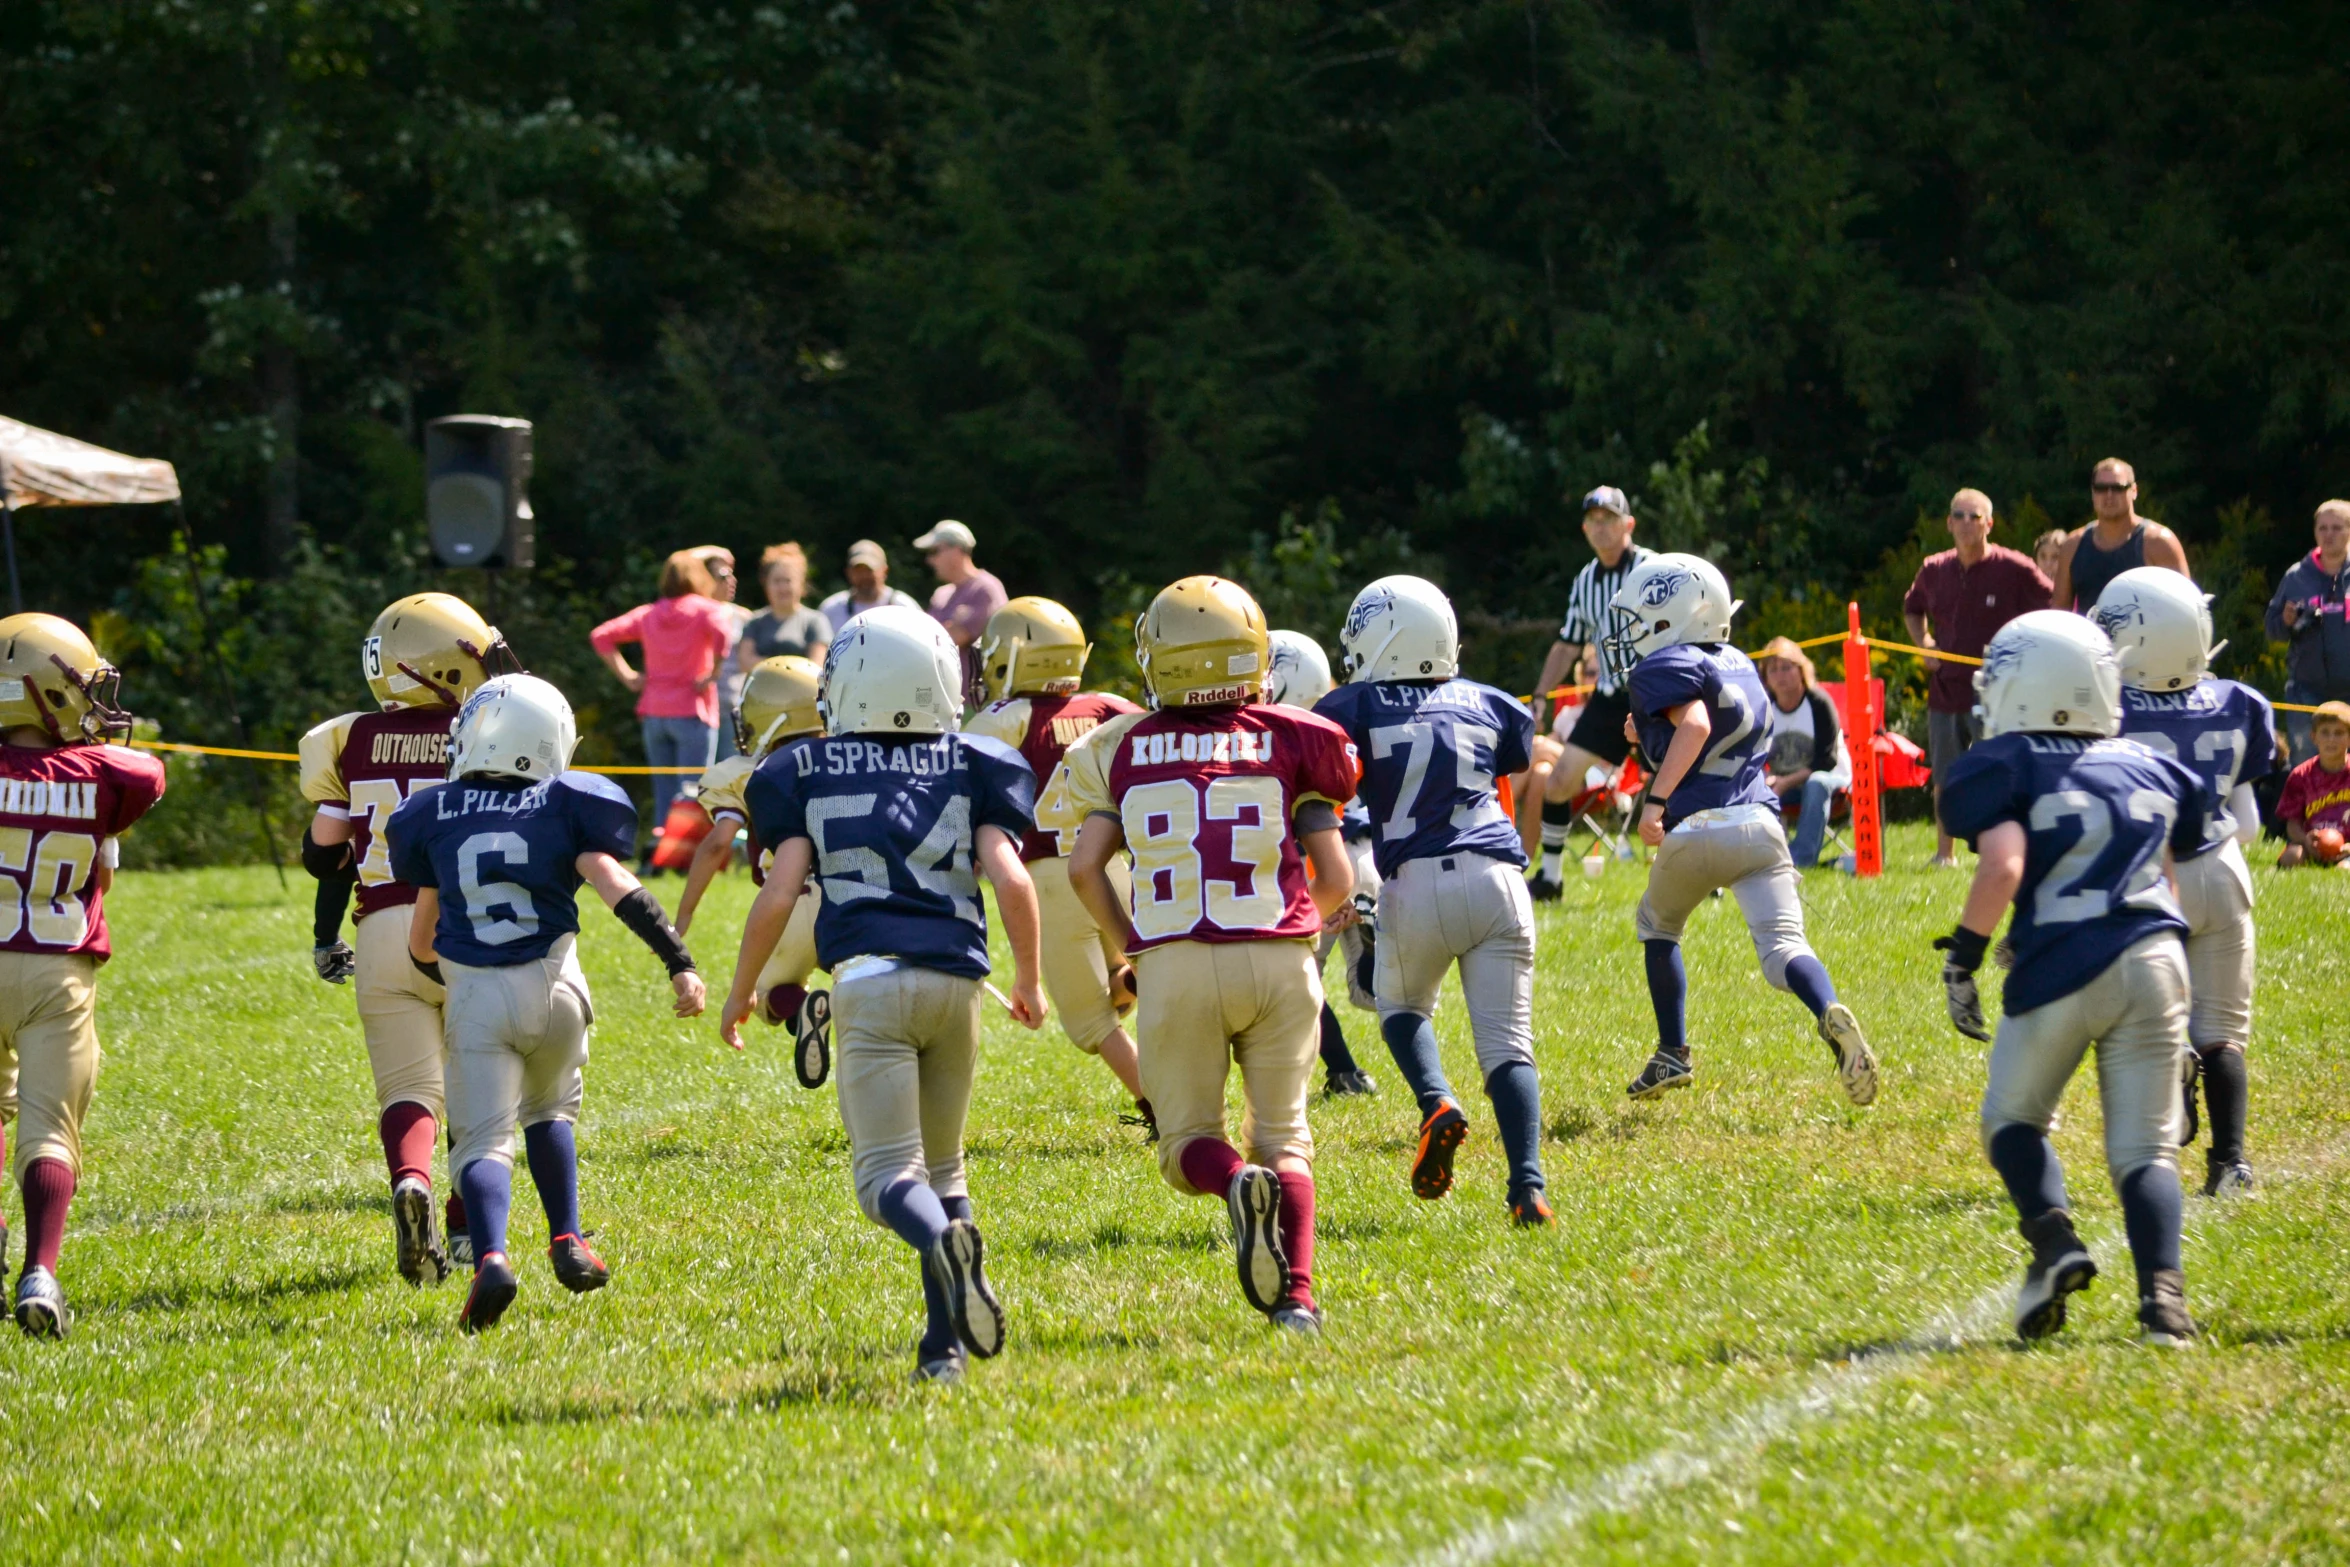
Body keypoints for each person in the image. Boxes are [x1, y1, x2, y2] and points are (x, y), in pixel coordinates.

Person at [719, 607, 1045, 1386]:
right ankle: (944, 1348)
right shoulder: (976, 759)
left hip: (866, 981)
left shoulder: (801, 769)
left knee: (887, 1181)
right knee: (946, 1169)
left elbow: (777, 896)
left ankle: (940, 1252)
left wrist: (741, 991)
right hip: (958, 980)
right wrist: (1029, 978)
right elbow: (1009, 875)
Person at [1064, 577, 1360, 1335]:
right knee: (1287, 1137)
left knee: (1187, 1142)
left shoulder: (1117, 742)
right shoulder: (1296, 732)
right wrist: (1303, 930)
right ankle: (1298, 1297)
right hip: (1279, 954)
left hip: (1177, 962)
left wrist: (1135, 943)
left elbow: (1082, 868)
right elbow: (1338, 879)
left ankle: (1233, 1184)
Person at [388, 675, 706, 1332]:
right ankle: (567, 1236)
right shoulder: (569, 801)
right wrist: (679, 963)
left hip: (476, 988)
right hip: (559, 985)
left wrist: (450, 974)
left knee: (481, 1140)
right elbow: (619, 886)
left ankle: (493, 1258)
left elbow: (420, 940)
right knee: (551, 1111)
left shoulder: (432, 812)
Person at [1932, 611, 2206, 1346]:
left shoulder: (2006, 763)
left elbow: (2004, 864)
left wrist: (1963, 957)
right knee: (2146, 1151)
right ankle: (2165, 1306)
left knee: (2013, 1120)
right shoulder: (2148, 762)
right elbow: (2169, 875)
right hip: (2157, 956)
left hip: (2062, 961)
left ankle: (2054, 1241)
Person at [1314, 578, 1551, 1226]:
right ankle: (1528, 1188)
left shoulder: (1352, 702)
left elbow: (1325, 769)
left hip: (1415, 879)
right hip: (1501, 879)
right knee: (1508, 1045)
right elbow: (1515, 757)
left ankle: (1437, 1099)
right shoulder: (1490, 700)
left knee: (1401, 1007)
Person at [1603, 554, 1878, 1108]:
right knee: (1783, 949)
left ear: (1674, 614)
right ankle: (1827, 1009)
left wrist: (1655, 801)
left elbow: (1698, 726)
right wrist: (1648, 733)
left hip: (1699, 825)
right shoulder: (1738, 662)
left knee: (1658, 927)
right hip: (1760, 822)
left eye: (1641, 618)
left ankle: (1671, 1053)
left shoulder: (1662, 666)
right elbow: (1717, 722)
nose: (1633, 632)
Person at [299, 592, 516, 1282]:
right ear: (448, 665)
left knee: (408, 1089)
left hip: (384, 927)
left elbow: (324, 851)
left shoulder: (347, 737)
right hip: (467, 923)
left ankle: (410, 1178)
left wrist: (323, 933)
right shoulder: (491, 727)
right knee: (475, 1086)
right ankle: (460, 1227)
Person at [0, 615, 163, 1337]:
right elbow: (142, 773)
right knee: (50, 1132)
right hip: (55, 968)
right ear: (44, 693)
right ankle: (40, 1269)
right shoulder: (103, 773)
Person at [2095, 568, 2277, 1197]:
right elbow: (2249, 824)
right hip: (2224, 873)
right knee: (2225, 1031)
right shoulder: (2239, 701)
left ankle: (2170, 1092)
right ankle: (2231, 1165)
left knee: (2148, 1018)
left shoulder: (2107, 707)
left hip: (2145, 878)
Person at [963, 599, 1153, 1123]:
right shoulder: (1108, 708)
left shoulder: (1003, 719)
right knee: (1133, 968)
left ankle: (1162, 1107)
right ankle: (1130, 977)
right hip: (1115, 866)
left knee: (1091, 1024)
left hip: (1050, 877)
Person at [673, 656, 833, 1087]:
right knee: (867, 981)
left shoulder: (745, 773)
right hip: (854, 896)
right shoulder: (846, 757)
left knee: (764, 997)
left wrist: (684, 913)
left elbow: (719, 843)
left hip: (791, 902)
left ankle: (803, 1009)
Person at [1902, 488, 2052, 866]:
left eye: (1975, 516)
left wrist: (2025, 653)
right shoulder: (1934, 569)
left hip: (1999, 692)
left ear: (1989, 523)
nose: (1967, 523)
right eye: (1959, 515)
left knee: (2001, 771)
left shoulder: (2015, 568)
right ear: (1949, 523)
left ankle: (2003, 849)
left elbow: (2055, 606)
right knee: (1945, 777)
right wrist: (1924, 644)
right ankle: (1944, 854)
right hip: (1946, 689)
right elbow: (1912, 608)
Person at [1263, 630, 1377, 1098]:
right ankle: (1374, 929)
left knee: (1289, 972)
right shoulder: (1334, 726)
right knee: (1369, 993)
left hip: (1320, 861)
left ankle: (1344, 1071)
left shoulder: (1274, 735)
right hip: (1366, 851)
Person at [1529, 486, 1652, 897]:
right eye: (1594, 521)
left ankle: (1705, 877)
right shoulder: (1586, 580)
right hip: (1610, 697)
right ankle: (1550, 878)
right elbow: (1568, 643)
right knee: (1559, 782)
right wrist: (1542, 695)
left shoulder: (1653, 569)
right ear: (1585, 528)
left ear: (1628, 524)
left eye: (1610, 520)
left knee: (1683, 782)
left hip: (1656, 695)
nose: (1601, 529)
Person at [589, 550, 738, 849]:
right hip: (692, 710)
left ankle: (659, 851)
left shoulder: (649, 613)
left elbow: (601, 635)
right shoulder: (706, 609)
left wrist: (629, 676)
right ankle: (688, 853)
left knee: (664, 789)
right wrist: (714, 672)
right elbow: (724, 634)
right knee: (694, 789)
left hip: (654, 711)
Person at [2263, 500, 2350, 758]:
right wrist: (2287, 621)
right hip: (2307, 691)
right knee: (2306, 764)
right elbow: (2272, 630)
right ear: (2315, 532)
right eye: (2323, 528)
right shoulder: (2296, 577)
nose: (2329, 534)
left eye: (2336, 527)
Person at [1755, 636, 1851, 869]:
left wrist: (1786, 781)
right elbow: (1753, 756)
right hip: (1783, 785)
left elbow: (1826, 761)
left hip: (1831, 780)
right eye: (1774, 670)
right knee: (1751, 788)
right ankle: (1761, 860)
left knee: (1816, 783)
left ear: (1801, 670)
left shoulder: (1818, 703)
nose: (1780, 675)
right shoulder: (1765, 707)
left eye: (1787, 668)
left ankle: (1801, 860)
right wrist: (1765, 779)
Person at [2049, 458, 2191, 613]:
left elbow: (2186, 610)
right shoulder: (2073, 546)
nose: (2109, 495)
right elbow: (2060, 615)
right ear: (2092, 493)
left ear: (2134, 491)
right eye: (2101, 488)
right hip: (2091, 637)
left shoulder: (2159, 543)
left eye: (2118, 488)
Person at [916, 520, 1008, 700]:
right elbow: (925, 641)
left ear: (957, 550)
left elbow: (949, 640)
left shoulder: (986, 589)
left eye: (934, 551)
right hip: (942, 701)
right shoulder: (941, 594)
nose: (929, 560)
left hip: (977, 703)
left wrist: (943, 632)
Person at [693, 546, 754, 761]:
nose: (732, 580)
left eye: (732, 574)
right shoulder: (690, 614)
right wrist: (714, 550)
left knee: (731, 772)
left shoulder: (744, 616)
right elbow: (681, 563)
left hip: (733, 708)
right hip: (696, 708)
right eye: (723, 575)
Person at [2273, 701, 2350, 867]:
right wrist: (2305, 840)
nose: (2331, 739)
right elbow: (2292, 823)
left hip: (2347, 848)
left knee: (2344, 868)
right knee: (2291, 858)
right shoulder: (2301, 775)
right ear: (2314, 737)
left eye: (2339, 733)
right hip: (2311, 844)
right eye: (2325, 732)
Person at [739, 543, 832, 668]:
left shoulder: (815, 621)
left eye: (788, 581)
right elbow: (744, 663)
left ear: (801, 584)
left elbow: (817, 665)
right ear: (766, 584)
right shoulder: (754, 622)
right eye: (777, 581)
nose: (782, 588)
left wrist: (771, 666)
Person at [818, 539, 921, 636]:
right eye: (858, 570)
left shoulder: (904, 607)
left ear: (884, 571)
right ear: (848, 572)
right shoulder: (831, 609)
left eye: (869, 570)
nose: (864, 576)